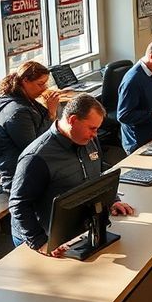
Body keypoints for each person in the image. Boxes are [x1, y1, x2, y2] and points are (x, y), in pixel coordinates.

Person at [9, 94, 134, 256]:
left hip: (75, 232)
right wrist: (41, 243)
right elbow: (18, 205)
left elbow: (96, 173)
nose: (95, 135)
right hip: (43, 239)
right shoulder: (36, 157)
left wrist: (111, 200)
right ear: (73, 120)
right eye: (92, 128)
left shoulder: (87, 141)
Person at [0, 61, 60, 193]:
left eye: (45, 83)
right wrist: (51, 113)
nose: (44, 88)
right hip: (18, 176)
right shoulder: (17, 112)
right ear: (25, 81)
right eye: (40, 84)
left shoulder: (24, 99)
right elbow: (36, 146)